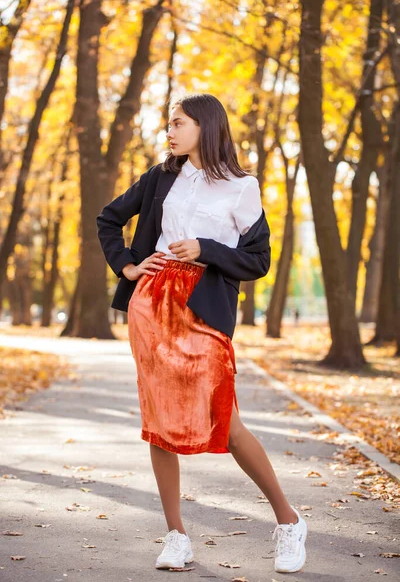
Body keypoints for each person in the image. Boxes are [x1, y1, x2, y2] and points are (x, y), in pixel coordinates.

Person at [96, 93, 307, 574]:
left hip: (204, 309)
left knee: (226, 424)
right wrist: (128, 266)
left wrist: (206, 248)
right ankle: (176, 536)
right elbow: (108, 218)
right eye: (169, 124)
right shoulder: (160, 177)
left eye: (178, 123)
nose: (169, 132)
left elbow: (257, 260)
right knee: (160, 421)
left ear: (205, 126)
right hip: (152, 306)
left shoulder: (241, 186)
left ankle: (289, 521)